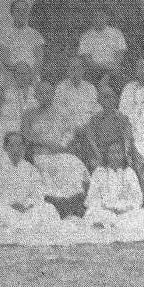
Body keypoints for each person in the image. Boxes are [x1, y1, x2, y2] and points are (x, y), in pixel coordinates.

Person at [21, 81, 89, 219]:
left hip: (60, 152)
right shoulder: (29, 114)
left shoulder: (61, 113)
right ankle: (59, 203)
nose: (44, 96)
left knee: (73, 162)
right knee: (51, 167)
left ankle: (75, 201)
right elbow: (25, 136)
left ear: (53, 94)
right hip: (40, 153)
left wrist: (62, 146)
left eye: (48, 93)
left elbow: (70, 132)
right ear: (35, 96)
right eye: (41, 93)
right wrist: (45, 143)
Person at [0, 132, 59, 233]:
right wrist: (11, 204)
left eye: (20, 145)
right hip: (6, 209)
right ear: (5, 148)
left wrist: (28, 204)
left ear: (24, 147)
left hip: (27, 210)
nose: (16, 149)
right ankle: (20, 229)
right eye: (11, 145)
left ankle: (24, 228)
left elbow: (38, 191)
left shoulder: (30, 169)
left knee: (48, 208)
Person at [82, 84, 144, 201]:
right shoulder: (94, 120)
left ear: (116, 100)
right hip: (101, 154)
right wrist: (100, 157)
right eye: (105, 97)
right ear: (100, 101)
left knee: (138, 165)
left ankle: (140, 199)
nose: (109, 100)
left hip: (119, 153)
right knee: (96, 168)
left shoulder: (122, 119)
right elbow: (91, 141)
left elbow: (128, 141)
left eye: (111, 97)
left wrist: (130, 156)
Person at [83, 140, 143, 228]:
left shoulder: (129, 172)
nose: (115, 156)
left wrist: (122, 209)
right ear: (106, 154)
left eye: (118, 153)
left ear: (123, 155)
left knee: (137, 217)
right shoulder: (99, 172)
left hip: (125, 212)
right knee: (97, 216)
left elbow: (137, 198)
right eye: (112, 152)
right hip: (103, 211)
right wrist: (107, 208)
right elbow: (92, 198)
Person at [77, 8, 127, 84]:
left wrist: (109, 72)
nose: (98, 20)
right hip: (93, 71)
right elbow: (87, 59)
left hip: (113, 71)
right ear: (92, 19)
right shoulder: (85, 36)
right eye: (96, 17)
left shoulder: (117, 33)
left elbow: (120, 55)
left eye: (101, 17)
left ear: (107, 17)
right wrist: (102, 67)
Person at [0, 0, 45, 77]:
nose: (21, 13)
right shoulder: (4, 35)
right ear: (12, 13)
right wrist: (19, 72)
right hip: (13, 75)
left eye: (24, 10)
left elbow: (39, 59)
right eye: (18, 11)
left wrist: (30, 74)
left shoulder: (35, 34)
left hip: (31, 75)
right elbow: (4, 59)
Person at [53, 56, 101, 130]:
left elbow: (94, 108)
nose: (75, 72)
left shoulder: (90, 88)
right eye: (72, 69)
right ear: (68, 71)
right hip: (67, 126)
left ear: (83, 70)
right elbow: (58, 110)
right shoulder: (61, 88)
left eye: (78, 68)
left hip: (87, 126)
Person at [118, 57, 144, 130]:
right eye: (140, 67)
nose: (143, 71)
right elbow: (122, 110)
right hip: (129, 129)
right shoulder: (128, 88)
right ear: (136, 70)